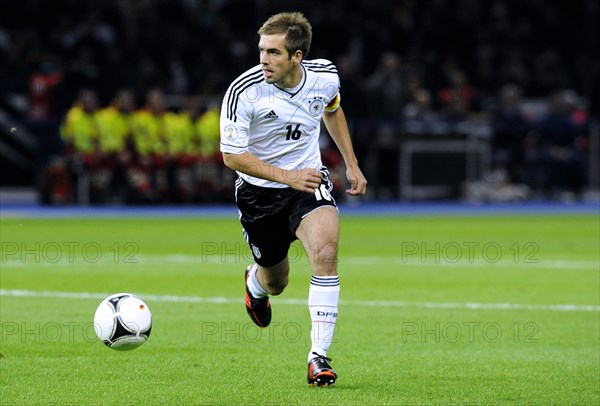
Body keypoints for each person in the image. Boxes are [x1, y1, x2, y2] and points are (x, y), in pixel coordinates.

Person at [219, 12, 367, 387]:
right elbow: (232, 157)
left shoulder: (325, 76)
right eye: (261, 51)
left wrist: (352, 164)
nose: (263, 60)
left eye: (273, 53)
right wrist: (287, 176)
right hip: (258, 195)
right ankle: (255, 281)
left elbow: (332, 110)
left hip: (309, 184)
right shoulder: (243, 92)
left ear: (296, 57)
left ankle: (318, 357)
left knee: (326, 254)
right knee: (277, 282)